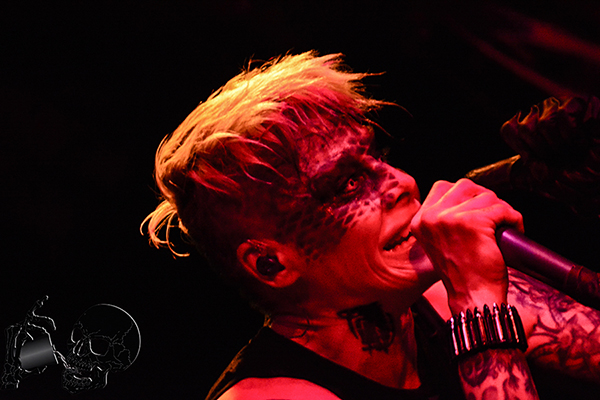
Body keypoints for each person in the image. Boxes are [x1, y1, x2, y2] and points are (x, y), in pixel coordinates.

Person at [143, 51, 600, 399]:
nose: (401, 183)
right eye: (347, 184)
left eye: (378, 157)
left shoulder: (436, 299)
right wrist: (480, 310)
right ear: (271, 263)